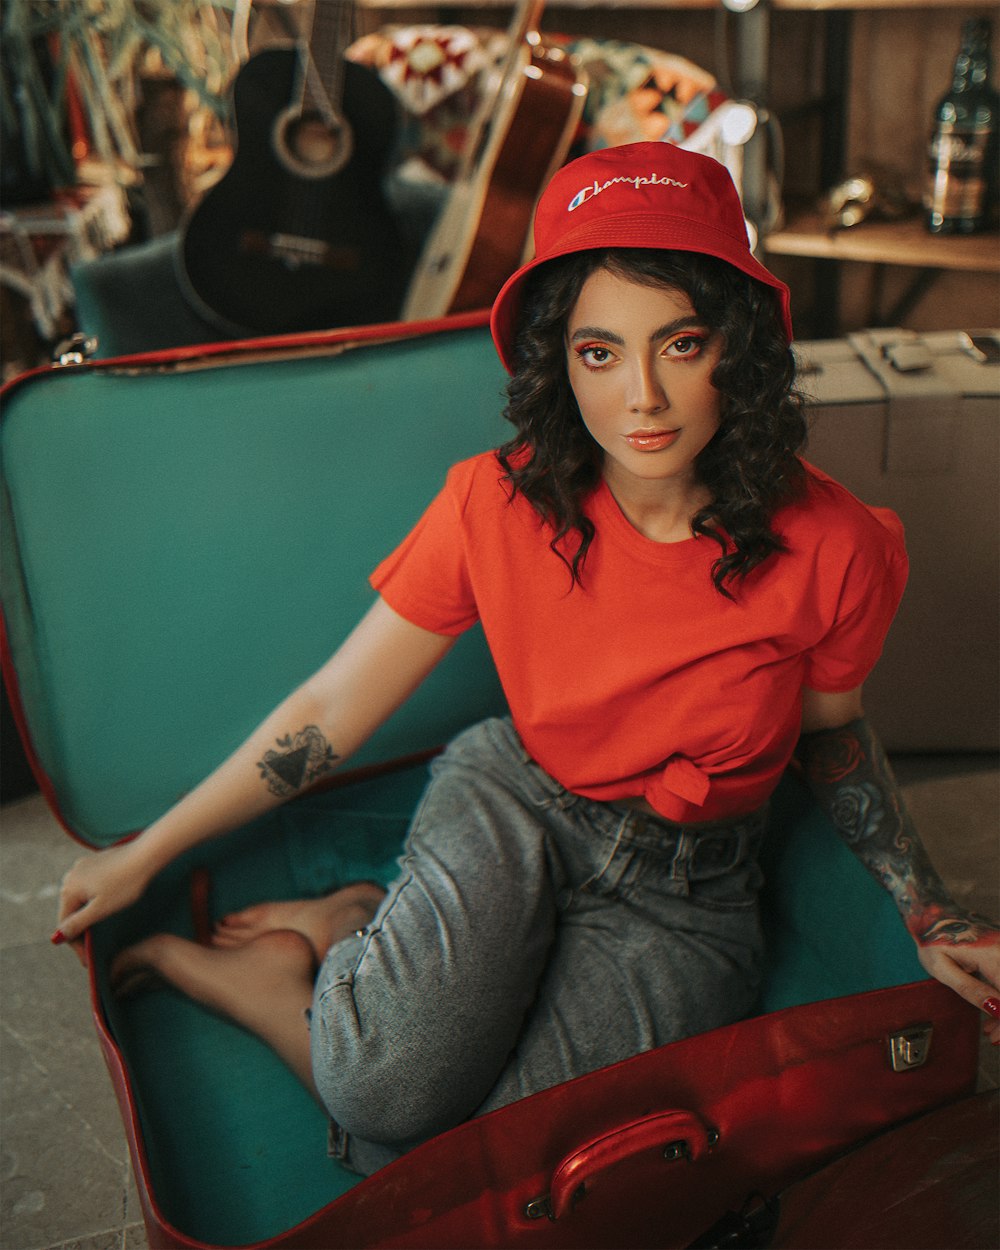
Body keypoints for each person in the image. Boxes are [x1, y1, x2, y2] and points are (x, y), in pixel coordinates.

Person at [56, 141, 999, 1176]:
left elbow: (832, 738)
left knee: (473, 1171)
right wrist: (142, 853)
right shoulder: (492, 501)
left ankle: (317, 963)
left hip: (685, 891)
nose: (641, 395)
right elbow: (331, 704)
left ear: (737, 343)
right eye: (599, 352)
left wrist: (925, 904)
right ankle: (335, 942)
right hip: (517, 794)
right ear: (559, 359)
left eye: (679, 344)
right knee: (384, 1089)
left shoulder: (840, 544)